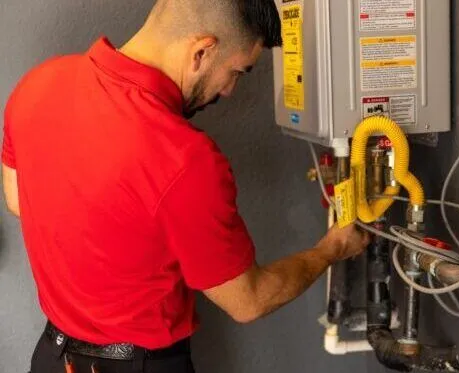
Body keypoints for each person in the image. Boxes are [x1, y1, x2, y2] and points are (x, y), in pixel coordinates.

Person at [2, 1, 370, 372]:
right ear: (202, 51)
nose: (228, 90)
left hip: (51, 357)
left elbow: (19, 201)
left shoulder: (38, 83)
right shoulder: (184, 158)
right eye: (237, 72)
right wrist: (331, 248)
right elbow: (249, 301)